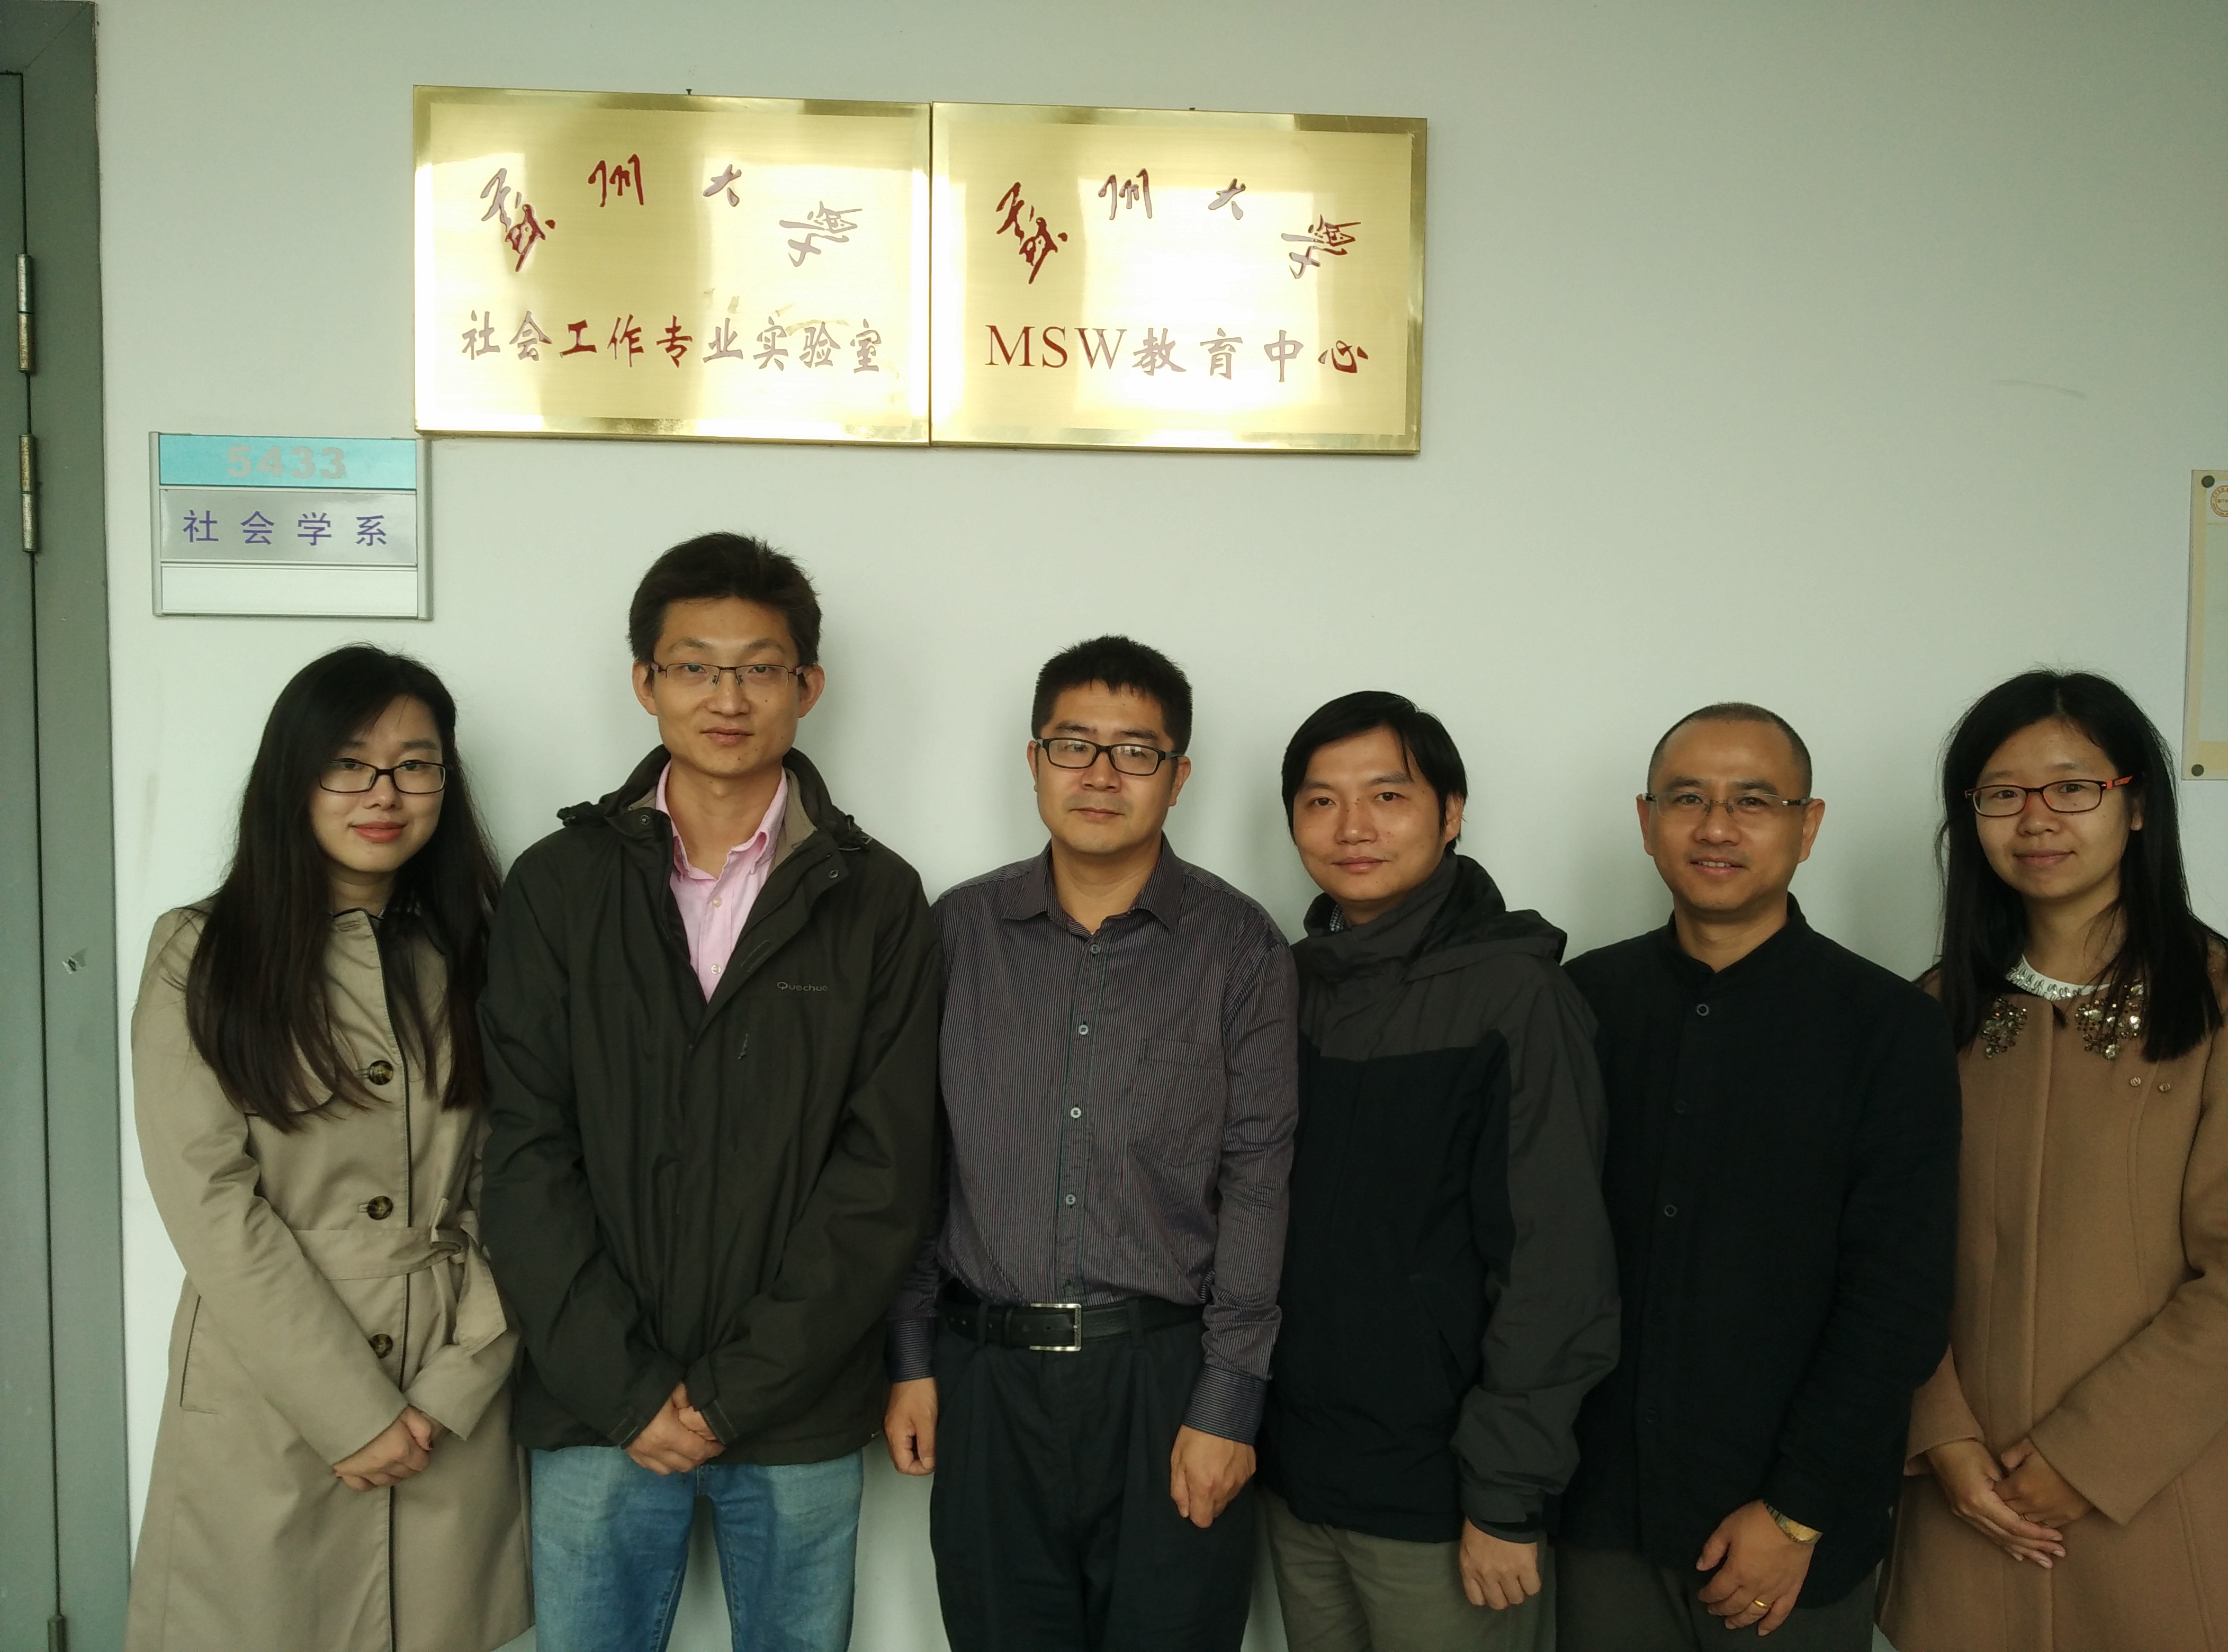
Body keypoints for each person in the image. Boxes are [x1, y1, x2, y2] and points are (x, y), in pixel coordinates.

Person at [478, 533, 940, 1652]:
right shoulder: (559, 885)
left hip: (795, 1408)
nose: (726, 698)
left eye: (759, 668)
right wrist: (626, 1389)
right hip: (596, 1406)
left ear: (807, 687)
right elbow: (526, 1151)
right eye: (694, 666)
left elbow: (883, 1173)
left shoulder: (874, 898)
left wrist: (739, 1390)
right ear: (646, 682)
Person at [882, 635, 1298, 1652]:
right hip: (985, 1382)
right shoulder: (957, 931)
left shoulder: (1241, 945)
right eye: (1074, 745)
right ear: (1034, 762)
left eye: (1135, 751)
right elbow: (916, 1158)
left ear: (1179, 776)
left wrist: (1229, 1402)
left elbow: (1258, 1175)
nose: (1101, 775)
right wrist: (909, 1355)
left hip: (1165, 1381)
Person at [125, 645, 528, 1652]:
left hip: (447, 1391)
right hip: (269, 1394)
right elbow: (210, 1204)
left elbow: (521, 1188)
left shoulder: (483, 956)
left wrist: (453, 1388)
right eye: (348, 763)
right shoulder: (201, 954)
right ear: (292, 777)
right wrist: (352, 1412)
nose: (383, 793)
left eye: (415, 764)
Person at [1555, 702, 1961, 1650]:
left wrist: (1796, 1512)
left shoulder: (1888, 1027)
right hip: (1599, 1511)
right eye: (1687, 798)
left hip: (1791, 1536)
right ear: (1647, 820)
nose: (1717, 827)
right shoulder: (1578, 1003)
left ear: (1807, 825)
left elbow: (1899, 1299)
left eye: (1753, 801)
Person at [1257, 692, 1621, 1652]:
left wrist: (1506, 1494)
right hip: (1297, 1480)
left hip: (1444, 1501)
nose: (1353, 827)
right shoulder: (1288, 985)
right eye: (1321, 801)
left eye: (1388, 795)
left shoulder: (1518, 996)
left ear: (1451, 813)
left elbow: (1555, 1266)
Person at [1876, 670, 2228, 1651]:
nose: (2036, 819)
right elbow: (1879, 1255)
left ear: (2138, 803)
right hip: (1962, 1505)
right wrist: (1941, 1434)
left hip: (2160, 1503)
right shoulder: (1924, 1015)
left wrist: (2087, 1456)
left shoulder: (2215, 1003)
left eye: (2072, 786)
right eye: (2002, 793)